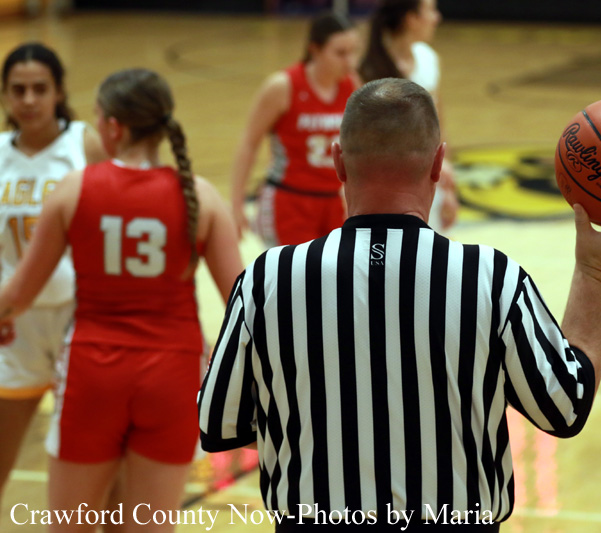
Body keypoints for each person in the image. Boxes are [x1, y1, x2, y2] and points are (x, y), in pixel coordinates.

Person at [198, 78, 601, 531]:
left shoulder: (266, 280)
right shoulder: (491, 279)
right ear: (437, 163)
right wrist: (592, 272)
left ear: (338, 162)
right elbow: (564, 407)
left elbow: (218, 423)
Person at [0, 68, 243, 531]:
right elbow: (245, 304)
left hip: (94, 373)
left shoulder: (75, 189)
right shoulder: (201, 196)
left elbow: (18, 295)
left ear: (113, 127)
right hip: (173, 375)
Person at [0, 42, 106, 506]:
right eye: (18, 89)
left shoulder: (84, 144)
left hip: (77, 320)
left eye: (40, 89)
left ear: (59, 92)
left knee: (90, 459)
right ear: (5, 96)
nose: (29, 100)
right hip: (12, 326)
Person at [230, 12, 360, 246]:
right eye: (341, 53)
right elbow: (249, 143)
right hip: (289, 200)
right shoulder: (283, 86)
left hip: (334, 202)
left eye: (354, 52)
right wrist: (236, 204)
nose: (350, 62)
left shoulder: (352, 84)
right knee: (292, 269)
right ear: (315, 50)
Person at [359, 0, 459, 231]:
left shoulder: (428, 59)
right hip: (383, 187)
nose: (437, 18)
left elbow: (438, 126)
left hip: (425, 181)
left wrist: (448, 187)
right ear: (411, 19)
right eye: (430, 10)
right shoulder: (368, 70)